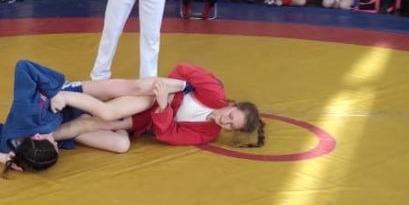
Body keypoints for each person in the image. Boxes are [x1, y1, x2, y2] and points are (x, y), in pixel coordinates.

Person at [0, 59, 155, 171]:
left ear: (37, 136)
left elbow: (23, 67)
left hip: (68, 97)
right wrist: (1, 157)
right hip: (74, 123)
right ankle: (121, 121)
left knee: (125, 93)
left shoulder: (27, 111)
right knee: (121, 145)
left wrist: (54, 94)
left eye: (53, 143)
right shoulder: (15, 148)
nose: (56, 143)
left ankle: (164, 91)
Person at [52, 62, 265, 148]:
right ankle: (67, 93)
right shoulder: (214, 92)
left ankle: (48, 134)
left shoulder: (209, 133)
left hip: (147, 117)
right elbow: (183, 69)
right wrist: (171, 94)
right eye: (230, 116)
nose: (225, 121)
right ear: (232, 105)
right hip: (156, 93)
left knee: (119, 143)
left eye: (230, 126)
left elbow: (169, 135)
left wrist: (164, 108)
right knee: (110, 109)